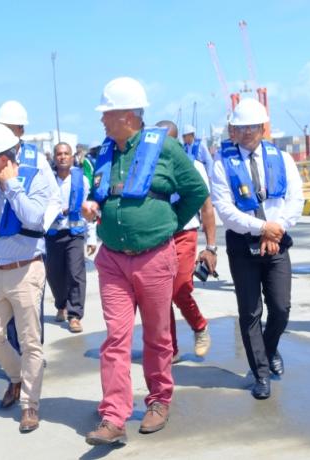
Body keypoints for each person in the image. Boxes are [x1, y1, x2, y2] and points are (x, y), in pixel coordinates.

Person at [82, 77, 208, 445]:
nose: (102, 120)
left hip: (154, 257)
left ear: (128, 115)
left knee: (157, 336)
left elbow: (196, 191)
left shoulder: (165, 149)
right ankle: (113, 415)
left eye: (107, 113)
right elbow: (98, 193)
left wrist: (169, 225)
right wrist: (92, 205)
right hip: (112, 261)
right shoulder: (104, 152)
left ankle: (158, 400)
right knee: (116, 339)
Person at [210, 99, 304, 400]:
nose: (248, 132)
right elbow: (225, 209)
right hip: (243, 243)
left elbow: (296, 199)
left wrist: (276, 228)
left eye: (253, 127)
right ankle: (261, 374)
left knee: (280, 307)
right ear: (233, 131)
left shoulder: (283, 159)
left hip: (277, 239)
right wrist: (261, 228)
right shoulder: (221, 164)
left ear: (263, 128)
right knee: (250, 312)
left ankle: (270, 347)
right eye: (241, 128)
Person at [0, 122, 55, 433]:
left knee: (31, 340)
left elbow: (35, 218)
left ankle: (29, 405)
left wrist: (11, 186)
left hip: (25, 268)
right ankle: (19, 376)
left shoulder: (35, 175)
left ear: (3, 160)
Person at [156, 120, 216, 360]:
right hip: (158, 235)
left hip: (184, 233)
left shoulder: (194, 166)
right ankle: (170, 348)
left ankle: (199, 326)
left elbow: (207, 208)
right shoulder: (147, 165)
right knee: (160, 294)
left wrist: (211, 247)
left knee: (179, 289)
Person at [46, 142, 96, 334]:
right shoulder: (47, 181)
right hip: (52, 234)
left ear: (72, 156)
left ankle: (75, 315)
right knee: (54, 274)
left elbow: (88, 208)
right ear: (54, 157)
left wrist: (91, 237)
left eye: (66, 153)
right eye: (59, 154)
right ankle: (61, 305)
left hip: (74, 233)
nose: (63, 157)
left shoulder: (81, 180)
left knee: (76, 273)